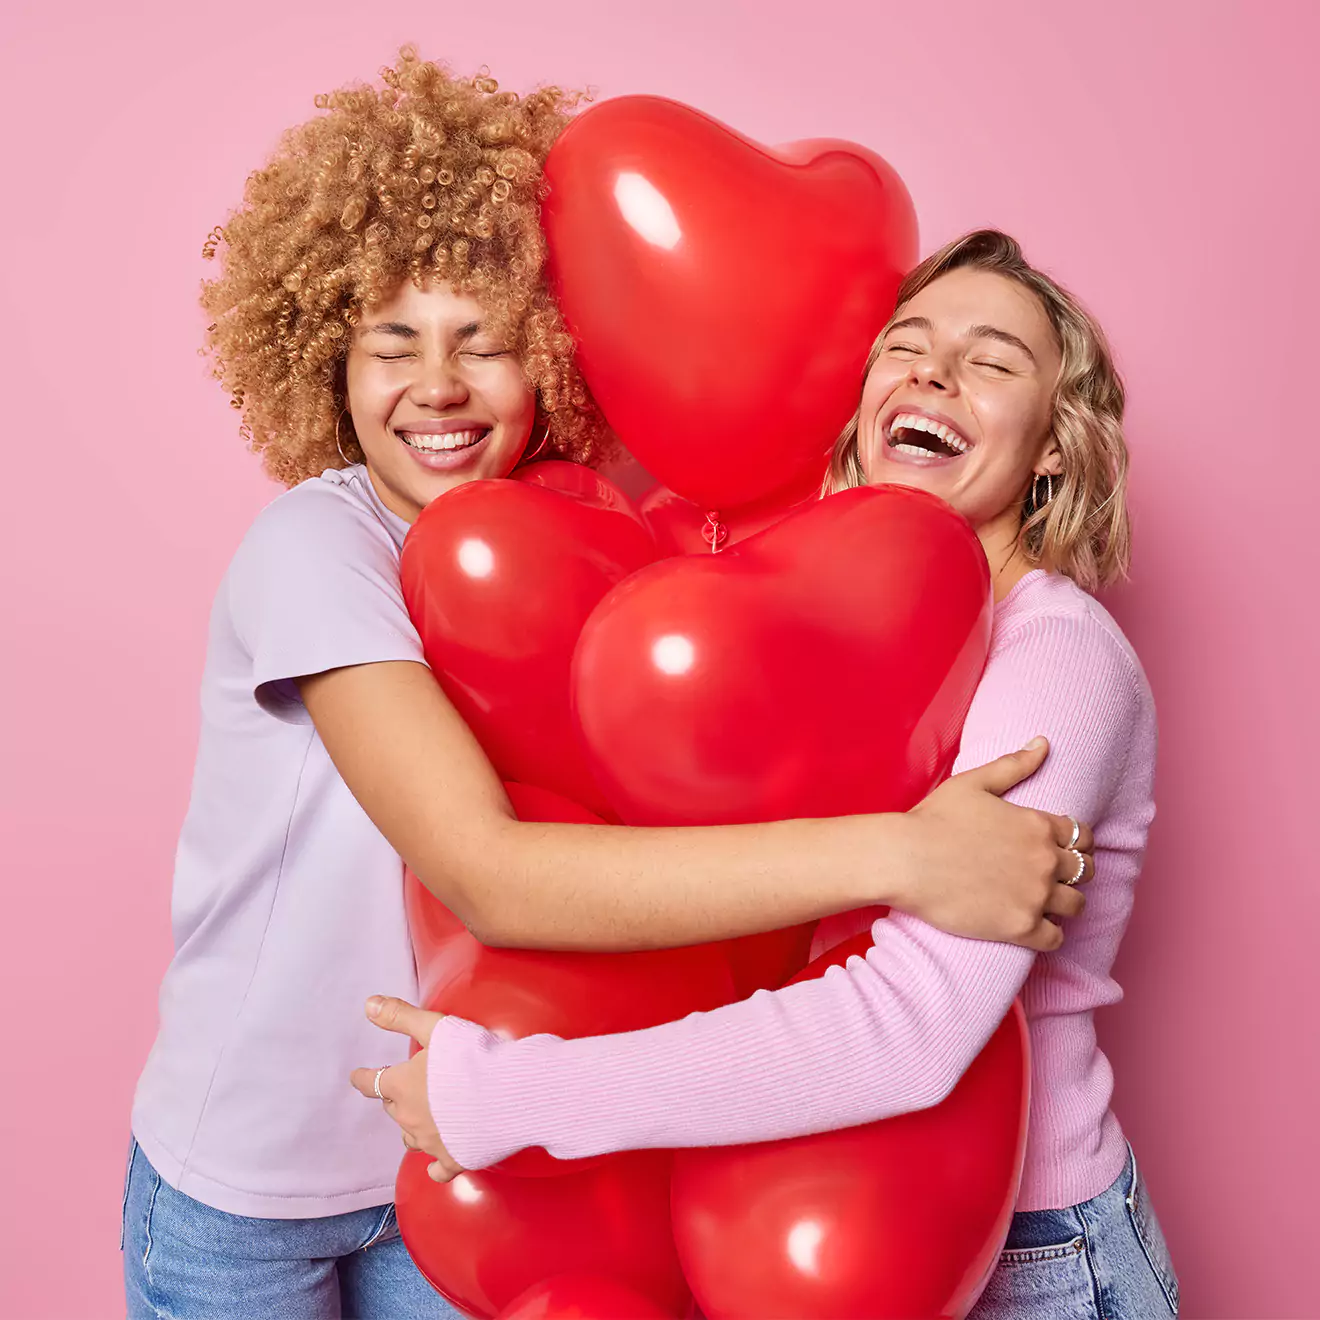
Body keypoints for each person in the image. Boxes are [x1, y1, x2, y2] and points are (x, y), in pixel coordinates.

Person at [123, 48, 1092, 1320]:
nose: (438, 387)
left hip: (466, 1160)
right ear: (321, 361)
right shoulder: (317, 547)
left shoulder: (578, 541)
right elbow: (490, 874)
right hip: (252, 1190)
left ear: (555, 356)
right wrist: (904, 855)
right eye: (390, 345)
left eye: (486, 341)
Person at [363, 230, 1179, 1318]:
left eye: (991, 362)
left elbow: (917, 1030)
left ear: (1052, 451)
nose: (933, 372)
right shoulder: (813, 626)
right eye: (906, 346)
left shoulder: (1061, 659)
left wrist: (516, 1094)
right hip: (793, 1225)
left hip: (1034, 1263)